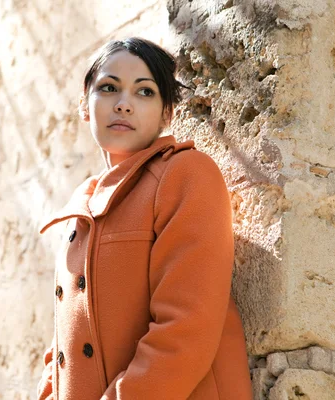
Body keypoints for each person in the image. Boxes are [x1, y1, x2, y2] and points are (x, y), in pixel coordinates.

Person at [37, 37, 252, 400]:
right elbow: (64, 347)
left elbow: (186, 327)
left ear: (168, 113)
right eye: (108, 88)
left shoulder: (186, 175)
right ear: (85, 105)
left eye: (145, 92)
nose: (123, 104)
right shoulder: (82, 206)